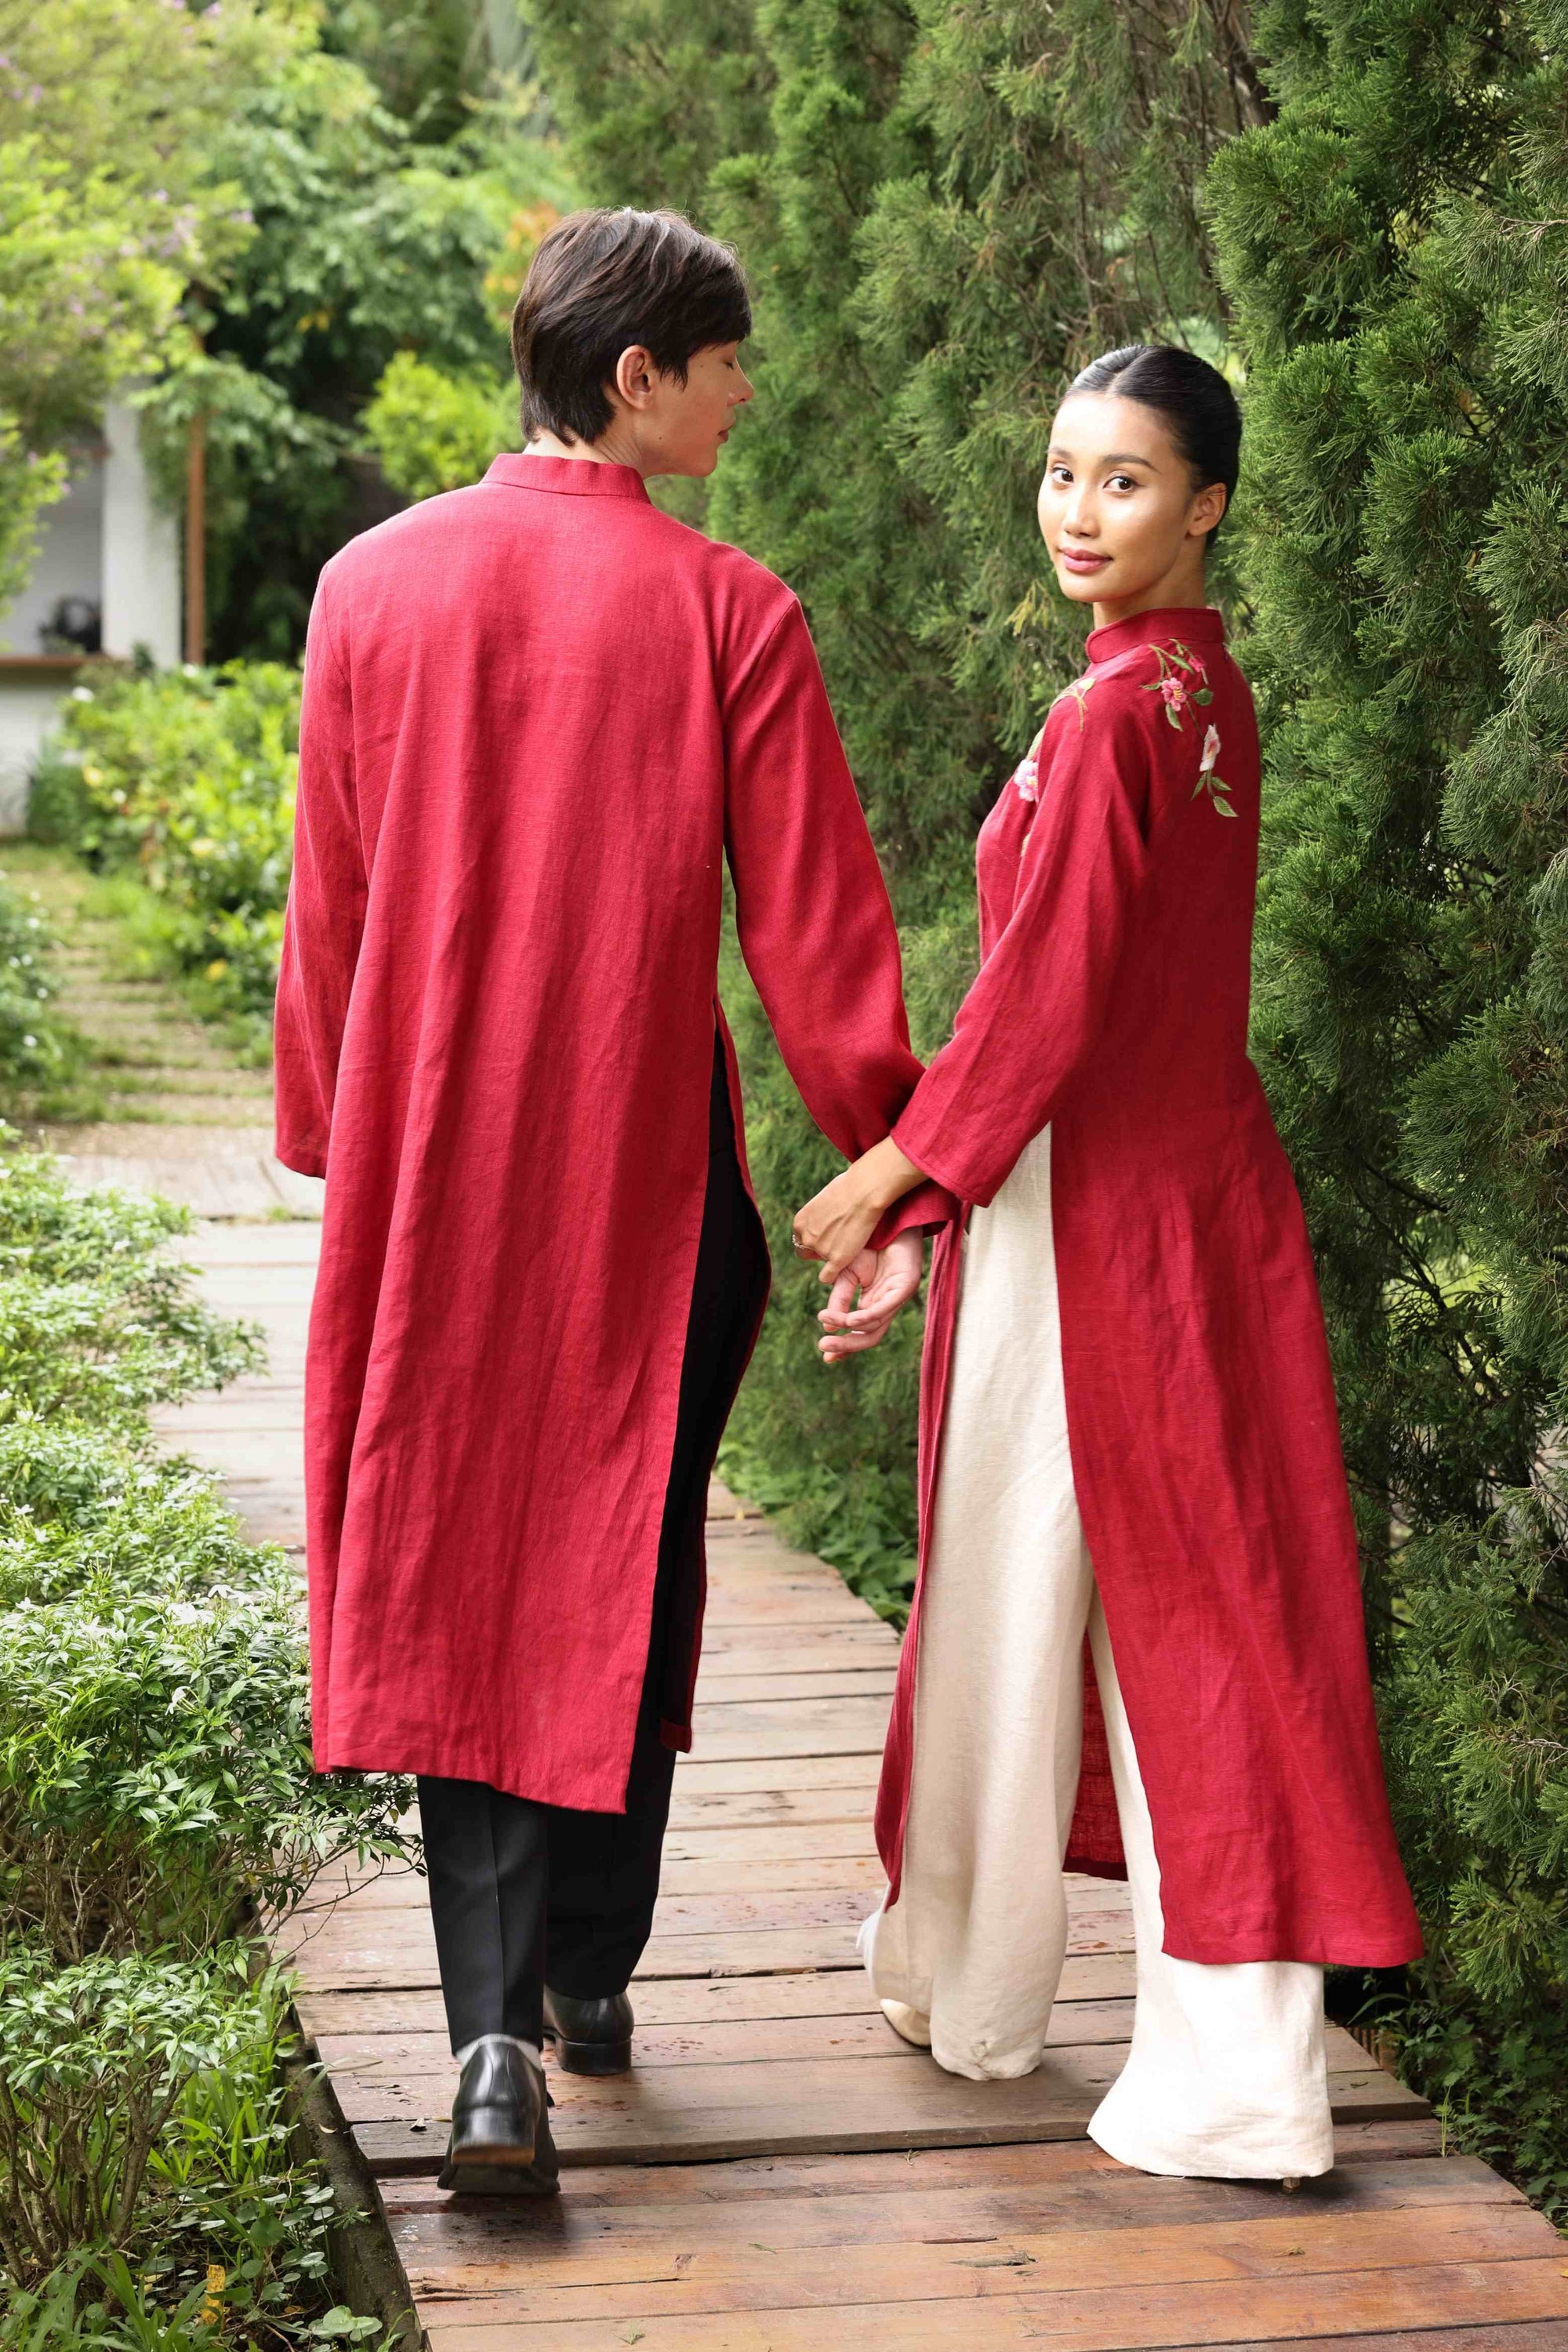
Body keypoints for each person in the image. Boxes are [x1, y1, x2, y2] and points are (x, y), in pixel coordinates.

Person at [274, 207, 940, 2196]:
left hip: (429, 1180)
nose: (746, 391)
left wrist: (337, 1132)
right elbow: (818, 946)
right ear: (635, 376)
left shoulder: (368, 584)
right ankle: (590, 1973)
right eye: (725, 361)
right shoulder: (730, 610)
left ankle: (487, 2042)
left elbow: (335, 907)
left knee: (456, 1549)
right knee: (619, 1540)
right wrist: (899, 1157)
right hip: (644, 1197)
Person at [791, 345, 1422, 2181]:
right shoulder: (1193, 689)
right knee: (1086, 1580)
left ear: (1207, 502)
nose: (1080, 511)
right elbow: (1073, 996)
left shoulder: (1114, 717)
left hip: (1111, 1210)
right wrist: (940, 1204)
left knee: (1165, 1610)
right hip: (1145, 1194)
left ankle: (1228, 2077)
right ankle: (971, 1976)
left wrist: (907, 1174)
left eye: (1125, 481)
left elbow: (1045, 991)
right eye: (1063, 473)